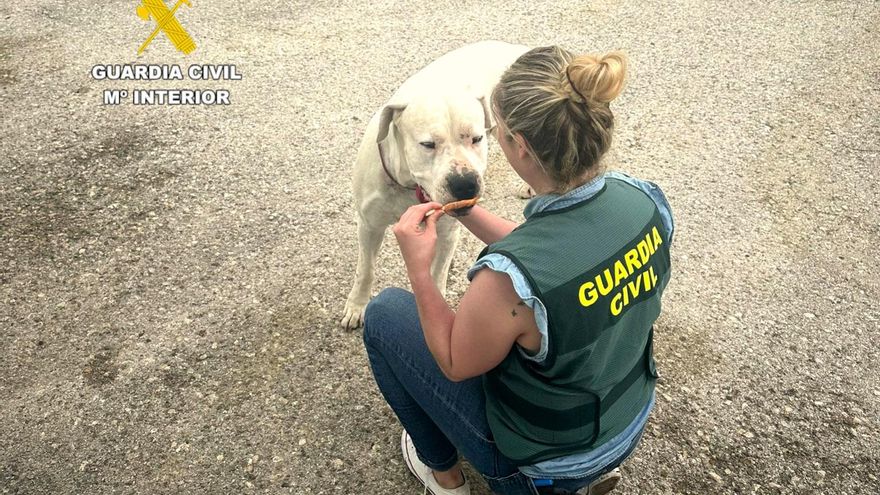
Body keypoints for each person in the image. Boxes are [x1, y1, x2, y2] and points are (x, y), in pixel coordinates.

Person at [362, 45, 674, 495]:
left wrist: (419, 271)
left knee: (386, 315)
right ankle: (590, 475)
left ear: (519, 147)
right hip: (626, 425)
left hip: (540, 470)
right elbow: (565, 255)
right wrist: (465, 211)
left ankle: (444, 475)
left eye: (493, 135)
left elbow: (454, 362)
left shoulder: (506, 281)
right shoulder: (646, 201)